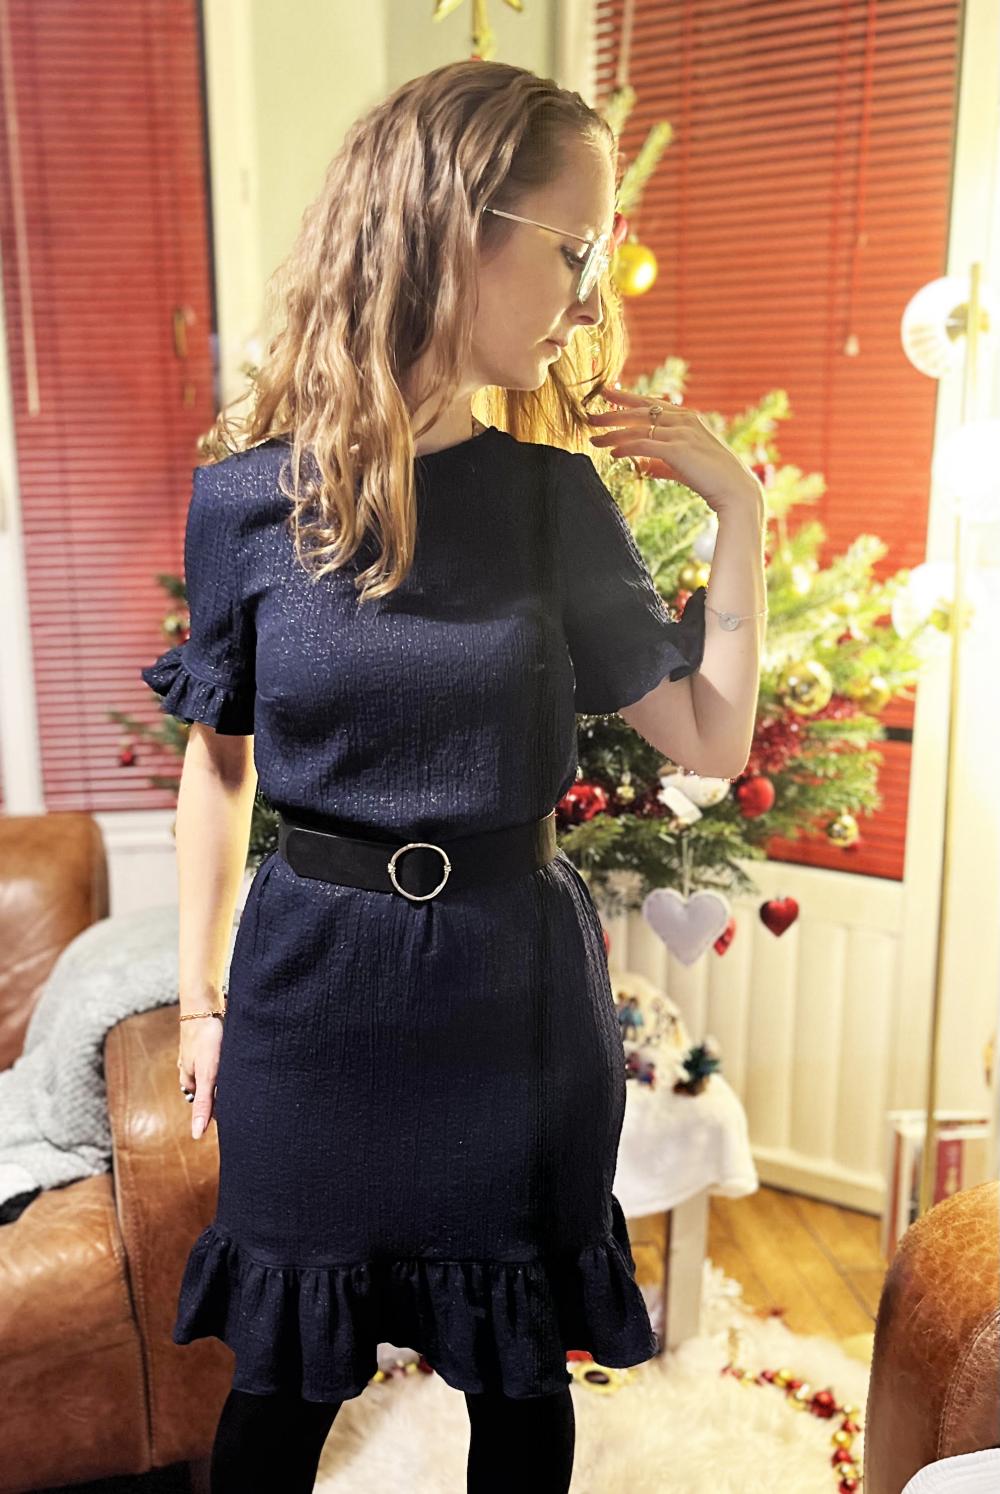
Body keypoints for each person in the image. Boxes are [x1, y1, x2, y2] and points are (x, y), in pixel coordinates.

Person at [141, 56, 764, 1494]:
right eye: (574, 250)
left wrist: (740, 510)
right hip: (309, 991)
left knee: (518, 1381)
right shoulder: (245, 504)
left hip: (512, 1001)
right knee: (281, 1391)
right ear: (447, 228)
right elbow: (218, 767)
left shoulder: (554, 503)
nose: (590, 302)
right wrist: (201, 998)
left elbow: (711, 739)